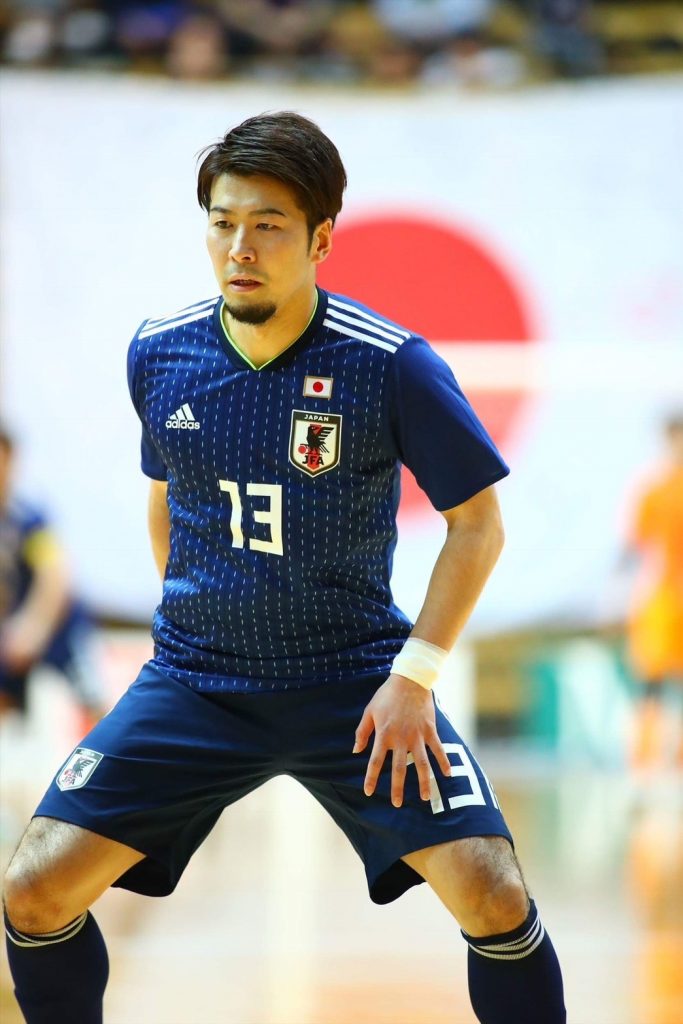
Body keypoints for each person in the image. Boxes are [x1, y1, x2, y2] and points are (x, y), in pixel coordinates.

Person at [2, 112, 566, 1024]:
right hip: (197, 682)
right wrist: (193, 619)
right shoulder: (160, 351)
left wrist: (414, 677)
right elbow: (166, 496)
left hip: (354, 685)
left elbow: (477, 526)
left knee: (491, 891)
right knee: (34, 888)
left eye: (267, 225)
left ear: (321, 240)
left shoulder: (390, 365)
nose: (241, 247)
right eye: (223, 222)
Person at [0, 425, 104, 727]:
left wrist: (34, 627)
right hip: (10, 630)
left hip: (56, 626)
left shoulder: (27, 518)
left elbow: (54, 576)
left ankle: (110, 750)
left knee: (92, 699)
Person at [624, 414, 683, 770]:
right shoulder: (655, 491)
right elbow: (639, 545)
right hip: (663, 597)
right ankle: (645, 758)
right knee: (653, 677)